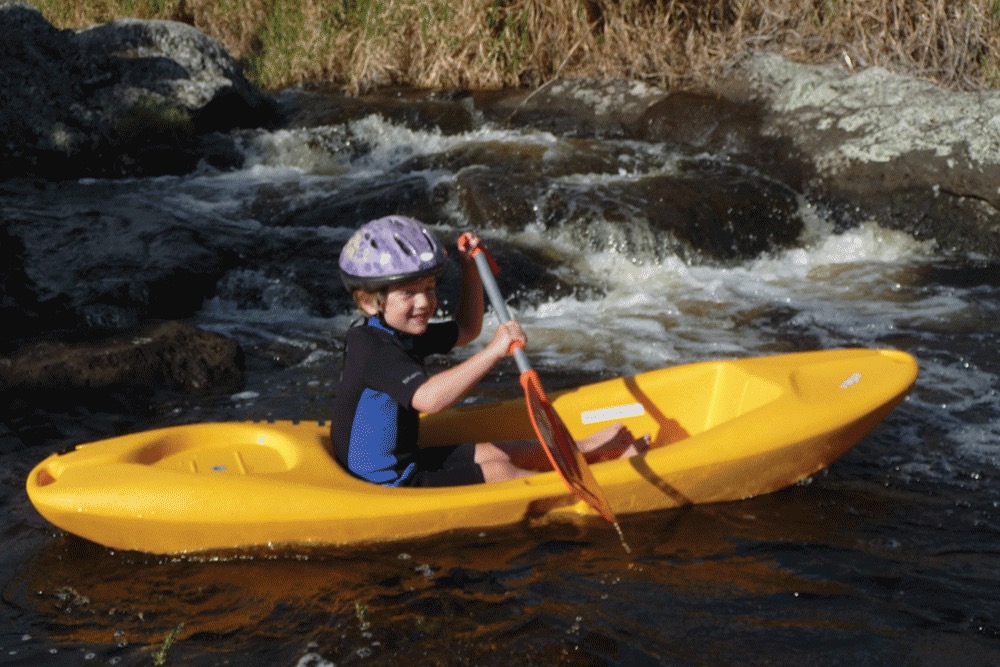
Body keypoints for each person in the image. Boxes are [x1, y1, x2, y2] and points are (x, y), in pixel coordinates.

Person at [332, 215, 646, 487]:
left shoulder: (399, 327)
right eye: (409, 293)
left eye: (429, 288)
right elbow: (430, 399)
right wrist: (495, 351)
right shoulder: (372, 348)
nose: (425, 303)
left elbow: (468, 329)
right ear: (368, 301)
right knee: (499, 469)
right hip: (390, 480)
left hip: (407, 457)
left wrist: (471, 270)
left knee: (505, 450)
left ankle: (590, 449)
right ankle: (610, 475)